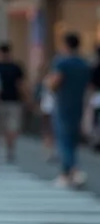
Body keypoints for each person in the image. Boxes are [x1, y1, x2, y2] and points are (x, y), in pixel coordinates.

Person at [45, 32, 91, 188]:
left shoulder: (62, 63)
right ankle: (68, 173)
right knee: (71, 140)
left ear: (65, 45)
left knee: (64, 140)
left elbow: (54, 82)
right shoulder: (84, 64)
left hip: (63, 104)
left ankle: (72, 171)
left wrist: (48, 83)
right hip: (78, 104)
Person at [0, 42, 26, 162]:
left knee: (2, 126)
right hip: (14, 100)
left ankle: (4, 148)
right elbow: (21, 85)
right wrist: (26, 99)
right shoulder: (16, 67)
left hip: (1, 101)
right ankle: (10, 149)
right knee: (12, 126)